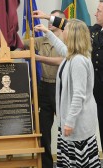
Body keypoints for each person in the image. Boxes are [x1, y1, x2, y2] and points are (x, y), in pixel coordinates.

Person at [33, 0, 103, 168]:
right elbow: (72, 26)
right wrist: (47, 17)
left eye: (99, 10)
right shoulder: (94, 31)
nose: (95, 13)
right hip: (97, 96)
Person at [34, 19, 101, 167]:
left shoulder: (78, 61)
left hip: (78, 122)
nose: (62, 31)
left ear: (72, 35)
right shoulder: (72, 55)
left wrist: (69, 122)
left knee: (79, 162)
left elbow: (79, 95)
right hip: (72, 121)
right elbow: (61, 48)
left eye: (65, 30)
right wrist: (47, 32)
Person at [23, 10, 65, 168]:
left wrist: (39, 58)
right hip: (44, 88)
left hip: (61, 88)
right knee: (43, 130)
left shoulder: (68, 41)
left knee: (66, 128)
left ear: (62, 24)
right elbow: (20, 43)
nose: (50, 22)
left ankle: (65, 162)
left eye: (54, 20)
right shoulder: (41, 41)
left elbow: (61, 60)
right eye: (49, 19)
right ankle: (47, 164)